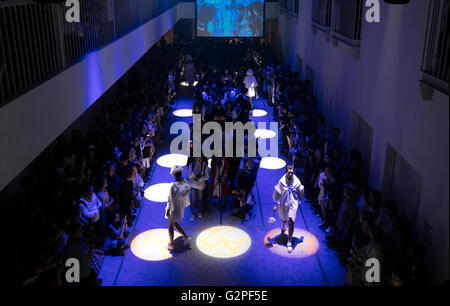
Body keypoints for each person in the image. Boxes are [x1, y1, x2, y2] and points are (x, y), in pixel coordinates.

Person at [272, 165, 305, 253]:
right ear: (286, 172)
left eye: (292, 173)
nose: (290, 174)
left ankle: (289, 241)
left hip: (293, 203)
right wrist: (275, 204)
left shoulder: (297, 181)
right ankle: (282, 234)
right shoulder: (281, 181)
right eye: (289, 172)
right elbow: (277, 192)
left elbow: (300, 191)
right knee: (284, 219)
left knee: (291, 221)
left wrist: (299, 201)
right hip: (284, 202)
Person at [165, 165, 192, 250]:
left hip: (173, 206)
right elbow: (188, 191)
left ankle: (171, 244)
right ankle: (185, 236)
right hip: (181, 205)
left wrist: (168, 209)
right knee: (174, 222)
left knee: (170, 225)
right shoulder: (185, 182)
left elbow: (170, 198)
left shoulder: (172, 185)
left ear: (173, 175)